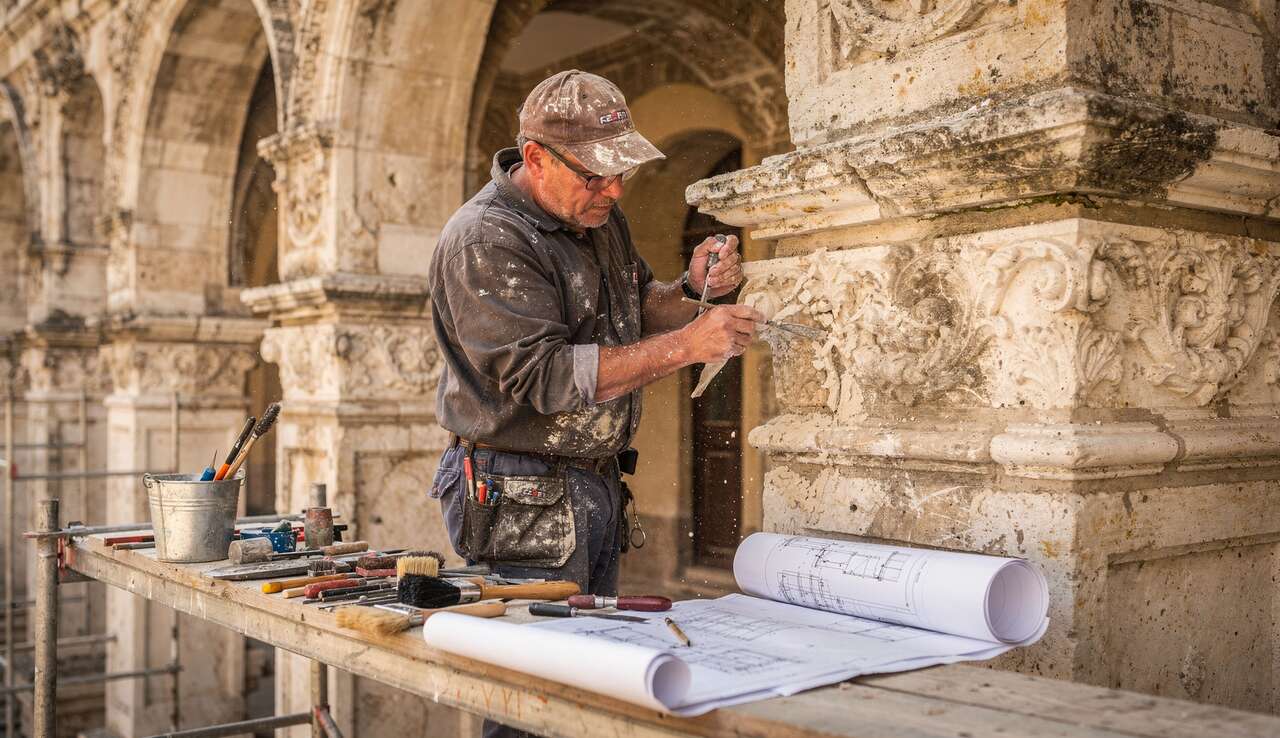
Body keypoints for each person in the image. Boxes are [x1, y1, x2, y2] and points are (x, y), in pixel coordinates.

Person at [426, 69, 760, 736]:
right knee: (530, 697)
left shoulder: (598, 216)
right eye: (595, 175)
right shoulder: (485, 240)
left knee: (586, 681)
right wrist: (692, 344)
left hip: (591, 484)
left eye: (622, 172)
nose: (613, 189)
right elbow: (547, 377)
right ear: (537, 158)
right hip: (516, 494)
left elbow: (634, 310)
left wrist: (691, 290)